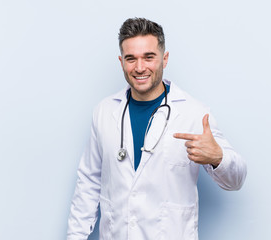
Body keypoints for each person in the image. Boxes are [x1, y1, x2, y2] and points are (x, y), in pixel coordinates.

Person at [67, 17, 247, 240]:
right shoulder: (104, 112)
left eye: (149, 57)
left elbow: (236, 179)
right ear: (121, 61)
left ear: (165, 58)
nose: (140, 67)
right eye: (131, 58)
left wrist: (217, 157)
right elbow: (88, 183)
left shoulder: (193, 114)